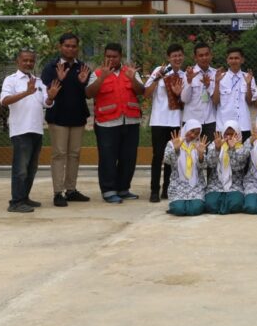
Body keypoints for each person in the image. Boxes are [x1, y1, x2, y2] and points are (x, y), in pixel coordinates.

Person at [1, 49, 60, 213]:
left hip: (36, 129)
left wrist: (51, 97)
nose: (28, 63)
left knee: (31, 168)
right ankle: (16, 202)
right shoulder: (10, 80)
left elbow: (45, 103)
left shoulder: (38, 81)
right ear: (17, 61)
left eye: (31, 61)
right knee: (20, 168)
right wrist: (26, 92)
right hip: (21, 130)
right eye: (25, 60)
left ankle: (24, 197)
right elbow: (4, 101)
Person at [86, 43, 145, 203]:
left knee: (128, 157)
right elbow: (89, 93)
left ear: (121, 57)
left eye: (114, 57)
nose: (111, 59)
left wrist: (133, 79)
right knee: (108, 158)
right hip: (107, 123)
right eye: (108, 56)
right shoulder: (97, 73)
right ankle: (108, 190)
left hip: (130, 121)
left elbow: (141, 91)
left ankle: (123, 188)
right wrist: (102, 78)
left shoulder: (130, 71)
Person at [40, 32, 91, 207]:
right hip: (58, 118)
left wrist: (83, 82)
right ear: (60, 47)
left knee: (74, 154)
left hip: (78, 117)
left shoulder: (83, 67)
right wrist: (58, 79)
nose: (70, 49)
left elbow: (86, 92)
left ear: (77, 48)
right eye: (67, 45)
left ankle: (71, 190)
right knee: (59, 154)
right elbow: (47, 92)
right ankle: (57, 192)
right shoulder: (51, 67)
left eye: (73, 46)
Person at [144, 44, 186, 203]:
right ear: (168, 58)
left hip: (176, 121)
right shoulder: (159, 70)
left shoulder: (184, 75)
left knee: (172, 156)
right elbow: (146, 94)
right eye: (174, 56)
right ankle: (154, 190)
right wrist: (157, 77)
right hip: (159, 121)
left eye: (180, 55)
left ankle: (167, 188)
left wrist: (179, 94)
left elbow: (186, 100)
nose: (177, 58)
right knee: (158, 156)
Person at [162, 119, 208, 216]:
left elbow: (203, 166)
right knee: (179, 210)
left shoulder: (199, 145)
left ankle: (193, 203)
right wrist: (176, 149)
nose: (193, 135)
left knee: (195, 209)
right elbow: (167, 160)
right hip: (178, 185)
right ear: (186, 128)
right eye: (191, 131)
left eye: (196, 133)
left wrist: (201, 155)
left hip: (196, 186)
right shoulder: (172, 143)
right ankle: (179, 204)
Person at [215, 47, 257, 142]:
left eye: (236, 58)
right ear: (227, 60)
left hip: (243, 125)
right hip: (224, 126)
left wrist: (249, 84)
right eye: (231, 58)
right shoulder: (220, 77)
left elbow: (250, 102)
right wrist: (217, 83)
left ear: (242, 60)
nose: (234, 61)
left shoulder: (249, 77)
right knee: (224, 155)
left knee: (243, 154)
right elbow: (215, 101)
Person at [204, 120, 246, 215]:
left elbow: (237, 167)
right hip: (216, 184)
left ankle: (225, 204)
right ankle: (224, 203)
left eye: (233, 134)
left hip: (235, 185)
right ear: (223, 134)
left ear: (238, 134)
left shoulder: (241, 148)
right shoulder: (214, 145)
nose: (229, 137)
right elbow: (210, 164)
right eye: (227, 134)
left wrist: (232, 149)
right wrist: (217, 149)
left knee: (236, 203)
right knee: (210, 204)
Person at [181, 42, 220, 141]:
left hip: (210, 120)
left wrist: (208, 87)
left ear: (211, 55)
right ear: (195, 58)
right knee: (190, 153)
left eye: (207, 54)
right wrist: (189, 81)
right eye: (201, 55)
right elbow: (184, 99)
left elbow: (217, 100)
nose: (204, 58)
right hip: (191, 120)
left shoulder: (216, 74)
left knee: (209, 153)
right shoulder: (188, 74)